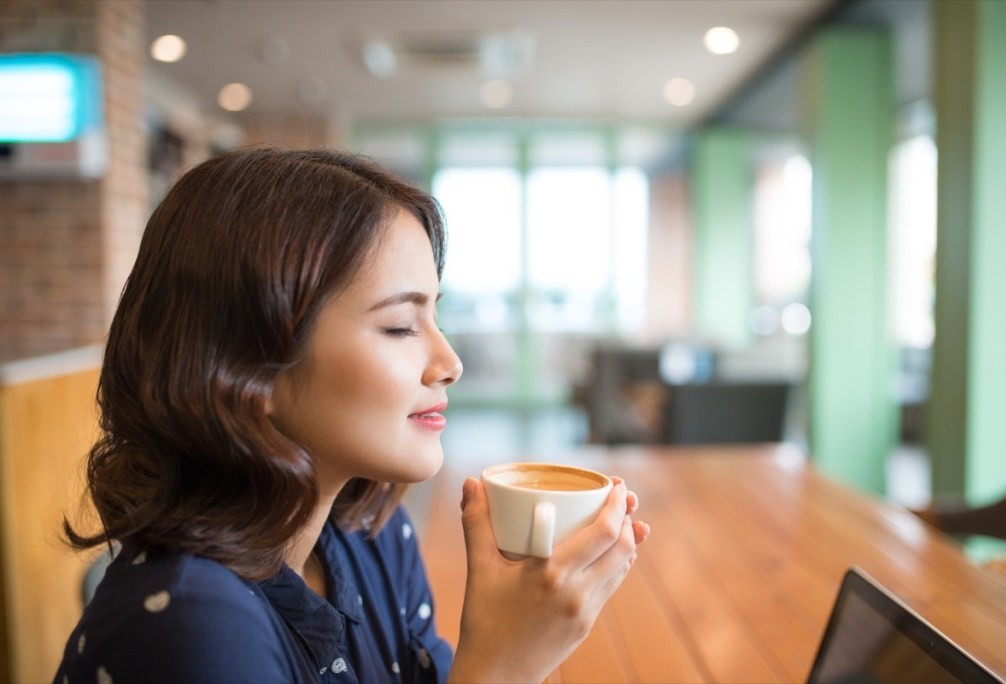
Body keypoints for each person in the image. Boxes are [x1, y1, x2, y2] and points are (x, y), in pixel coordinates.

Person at [56, 147, 650, 684]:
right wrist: (503, 667)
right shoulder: (191, 626)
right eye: (399, 326)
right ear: (248, 366)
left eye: (434, 317)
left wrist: (519, 629)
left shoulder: (371, 530)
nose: (450, 363)